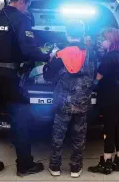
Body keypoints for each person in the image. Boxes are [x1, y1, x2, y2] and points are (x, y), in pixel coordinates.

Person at [0, 0, 51, 178]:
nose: (26, 8)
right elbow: (28, 50)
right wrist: (48, 56)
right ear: (21, 1)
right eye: (26, 5)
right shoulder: (21, 19)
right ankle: (25, 166)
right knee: (20, 121)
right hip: (9, 77)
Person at [43, 20, 95, 178]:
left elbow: (48, 77)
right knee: (79, 135)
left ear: (67, 34)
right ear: (82, 34)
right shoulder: (90, 53)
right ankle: (75, 168)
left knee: (58, 135)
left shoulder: (61, 54)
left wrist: (50, 61)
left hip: (63, 102)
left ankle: (55, 167)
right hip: (82, 102)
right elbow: (93, 74)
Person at [88, 28, 119, 175]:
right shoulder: (117, 55)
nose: (101, 41)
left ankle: (106, 162)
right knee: (116, 128)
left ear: (110, 41)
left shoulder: (108, 57)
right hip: (118, 98)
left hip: (109, 99)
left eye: (104, 39)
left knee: (108, 130)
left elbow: (97, 79)